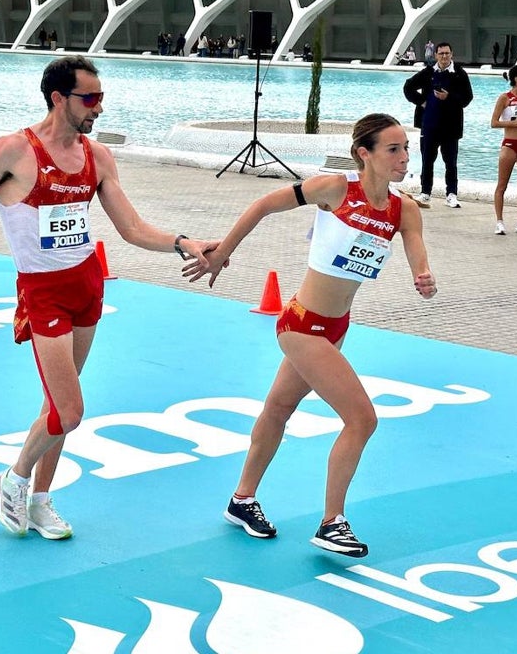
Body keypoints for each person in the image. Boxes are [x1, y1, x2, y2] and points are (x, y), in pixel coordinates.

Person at [0, 55, 216, 540]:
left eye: (101, 98)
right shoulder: (13, 151)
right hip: (43, 293)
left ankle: (40, 500)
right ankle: (14, 479)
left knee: (55, 406)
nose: (98, 108)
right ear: (59, 98)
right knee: (70, 411)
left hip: (87, 286)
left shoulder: (98, 157)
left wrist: (186, 243)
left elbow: (133, 229)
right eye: (90, 98)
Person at [185, 113, 437, 558]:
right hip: (302, 325)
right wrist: (221, 255)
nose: (403, 157)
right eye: (393, 149)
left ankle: (242, 500)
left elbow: (415, 243)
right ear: (365, 153)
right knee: (362, 420)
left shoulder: (404, 208)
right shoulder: (335, 189)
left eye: (406, 148)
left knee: (278, 408)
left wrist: (423, 274)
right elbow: (263, 205)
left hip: (335, 328)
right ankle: (332, 523)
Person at [403, 42, 474, 208]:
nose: (444, 57)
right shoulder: (428, 72)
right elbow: (408, 86)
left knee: (451, 162)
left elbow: (467, 98)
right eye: (441, 53)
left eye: (447, 53)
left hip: (451, 126)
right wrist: (421, 102)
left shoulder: (459, 74)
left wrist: (449, 97)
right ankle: (426, 192)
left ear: (452, 55)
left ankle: (451, 194)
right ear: (435, 55)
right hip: (430, 125)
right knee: (427, 160)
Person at [490, 65, 517, 235]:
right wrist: (513, 123)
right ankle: (499, 221)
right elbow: (494, 122)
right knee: (502, 184)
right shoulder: (504, 98)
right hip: (509, 143)